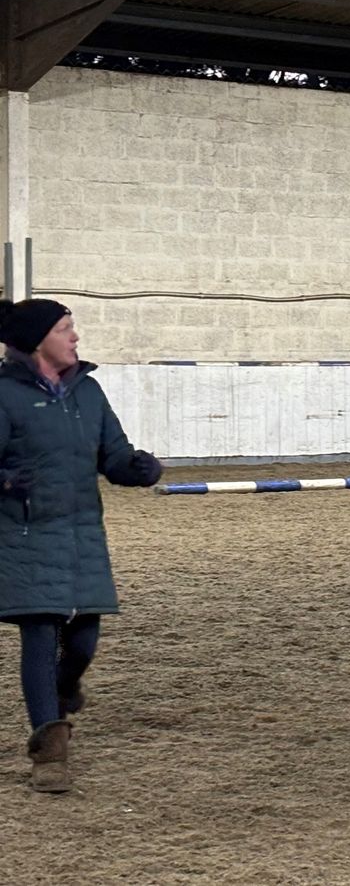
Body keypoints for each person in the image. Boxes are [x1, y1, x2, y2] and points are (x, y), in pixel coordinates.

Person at [0, 298, 163, 793]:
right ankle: (49, 754)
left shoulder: (88, 392)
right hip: (24, 534)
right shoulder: (3, 395)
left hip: (82, 533)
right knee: (41, 635)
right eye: (66, 329)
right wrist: (5, 480)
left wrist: (134, 468)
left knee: (85, 640)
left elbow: (111, 453)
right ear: (39, 340)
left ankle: (64, 687)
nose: (75, 338)